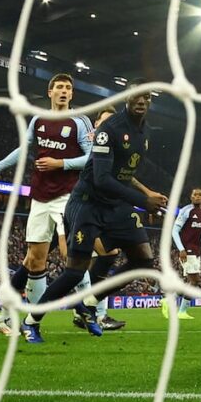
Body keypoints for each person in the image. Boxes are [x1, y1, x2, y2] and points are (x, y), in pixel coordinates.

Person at [20, 83, 168, 343]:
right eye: (136, 95)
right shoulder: (108, 130)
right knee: (75, 271)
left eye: (146, 96)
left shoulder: (144, 131)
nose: (141, 100)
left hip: (116, 206)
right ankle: (32, 321)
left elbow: (125, 174)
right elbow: (101, 178)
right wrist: (142, 201)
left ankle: (87, 304)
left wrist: (146, 193)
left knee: (143, 260)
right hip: (87, 204)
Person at [0, 73, 93, 335]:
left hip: (67, 197)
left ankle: (84, 310)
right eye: (59, 87)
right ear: (49, 92)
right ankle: (10, 319)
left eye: (68, 88)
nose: (63, 91)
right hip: (39, 197)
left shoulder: (80, 121)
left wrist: (60, 163)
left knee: (69, 254)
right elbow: (24, 149)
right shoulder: (38, 120)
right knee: (34, 261)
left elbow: (91, 157)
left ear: (72, 95)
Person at [71, 106, 128, 331]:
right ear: (96, 124)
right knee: (102, 256)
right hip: (79, 206)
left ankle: (84, 311)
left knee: (98, 258)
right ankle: (92, 312)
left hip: (99, 207)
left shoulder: (113, 147)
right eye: (105, 121)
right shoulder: (91, 142)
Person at [162, 187, 201, 319]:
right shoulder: (186, 211)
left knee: (190, 282)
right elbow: (174, 230)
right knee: (195, 281)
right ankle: (181, 311)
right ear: (191, 197)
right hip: (187, 250)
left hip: (196, 251)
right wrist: (181, 249)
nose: (197, 197)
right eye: (195, 195)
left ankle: (169, 301)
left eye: (200, 195)